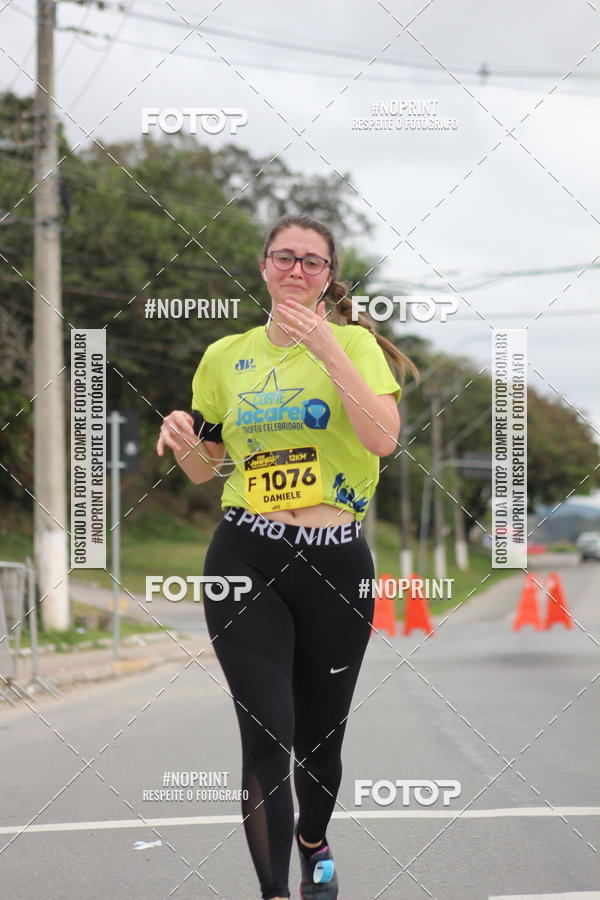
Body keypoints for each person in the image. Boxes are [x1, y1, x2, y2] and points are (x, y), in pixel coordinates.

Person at [156, 214, 419, 900]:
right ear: (264, 265)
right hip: (247, 553)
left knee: (319, 740)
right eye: (285, 258)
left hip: (336, 565)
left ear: (330, 277)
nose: (298, 271)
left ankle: (314, 840)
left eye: (313, 262)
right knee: (266, 734)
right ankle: (276, 893)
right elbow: (203, 469)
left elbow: (382, 440)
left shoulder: (357, 345)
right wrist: (182, 435)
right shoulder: (224, 356)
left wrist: (329, 349)